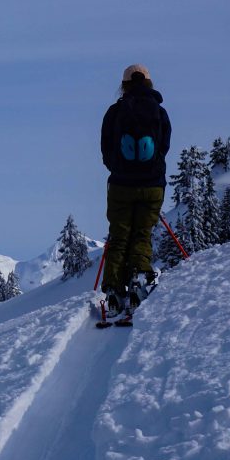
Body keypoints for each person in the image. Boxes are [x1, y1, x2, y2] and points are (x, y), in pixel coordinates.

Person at [100, 64, 171, 314]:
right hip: (152, 185)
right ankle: (139, 277)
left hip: (121, 185)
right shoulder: (159, 112)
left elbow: (106, 150)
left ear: (124, 84)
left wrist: (118, 170)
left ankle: (112, 292)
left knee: (119, 237)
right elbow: (164, 146)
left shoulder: (114, 112)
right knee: (142, 233)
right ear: (149, 83)